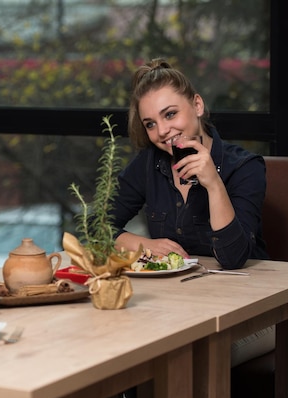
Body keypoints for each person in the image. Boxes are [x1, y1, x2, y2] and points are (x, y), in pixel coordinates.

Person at [111, 58, 269, 269]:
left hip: (243, 290)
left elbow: (234, 258)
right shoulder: (148, 163)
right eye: (150, 124)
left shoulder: (245, 167)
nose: (162, 131)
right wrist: (144, 245)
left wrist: (213, 183)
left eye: (170, 114)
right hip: (173, 291)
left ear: (197, 105)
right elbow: (94, 227)